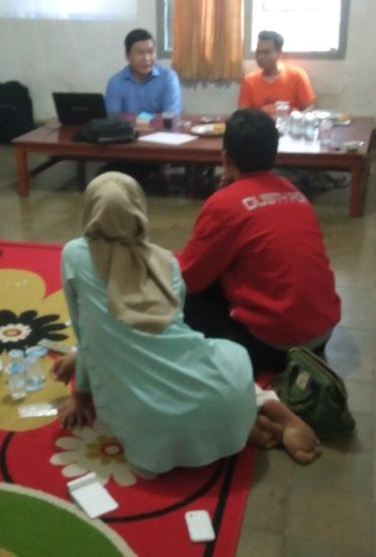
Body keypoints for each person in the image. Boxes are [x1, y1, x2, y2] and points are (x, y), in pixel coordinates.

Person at [53, 172, 320, 474]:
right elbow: (170, 333)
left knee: (140, 387)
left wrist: (81, 397)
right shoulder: (167, 262)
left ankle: (242, 423)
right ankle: (254, 411)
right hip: (227, 394)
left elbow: (86, 333)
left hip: (153, 429)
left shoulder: (74, 255)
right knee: (209, 354)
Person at [177, 109, 341, 370]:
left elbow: (190, 276)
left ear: (226, 158)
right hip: (321, 334)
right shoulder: (293, 192)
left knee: (181, 292)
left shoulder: (224, 204)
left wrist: (162, 259)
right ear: (273, 155)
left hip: (274, 345)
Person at [104, 28, 182, 115]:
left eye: (151, 52)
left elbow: (171, 116)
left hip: (160, 125)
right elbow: (113, 118)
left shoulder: (168, 78)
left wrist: (142, 120)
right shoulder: (115, 83)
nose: (147, 58)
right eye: (140, 53)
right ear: (127, 56)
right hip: (127, 125)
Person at [238, 30, 316, 113]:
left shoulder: (297, 75)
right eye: (258, 52)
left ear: (279, 53)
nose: (261, 57)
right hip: (260, 121)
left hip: (290, 121)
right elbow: (243, 114)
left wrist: (297, 118)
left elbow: (310, 107)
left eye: (266, 52)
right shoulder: (249, 80)